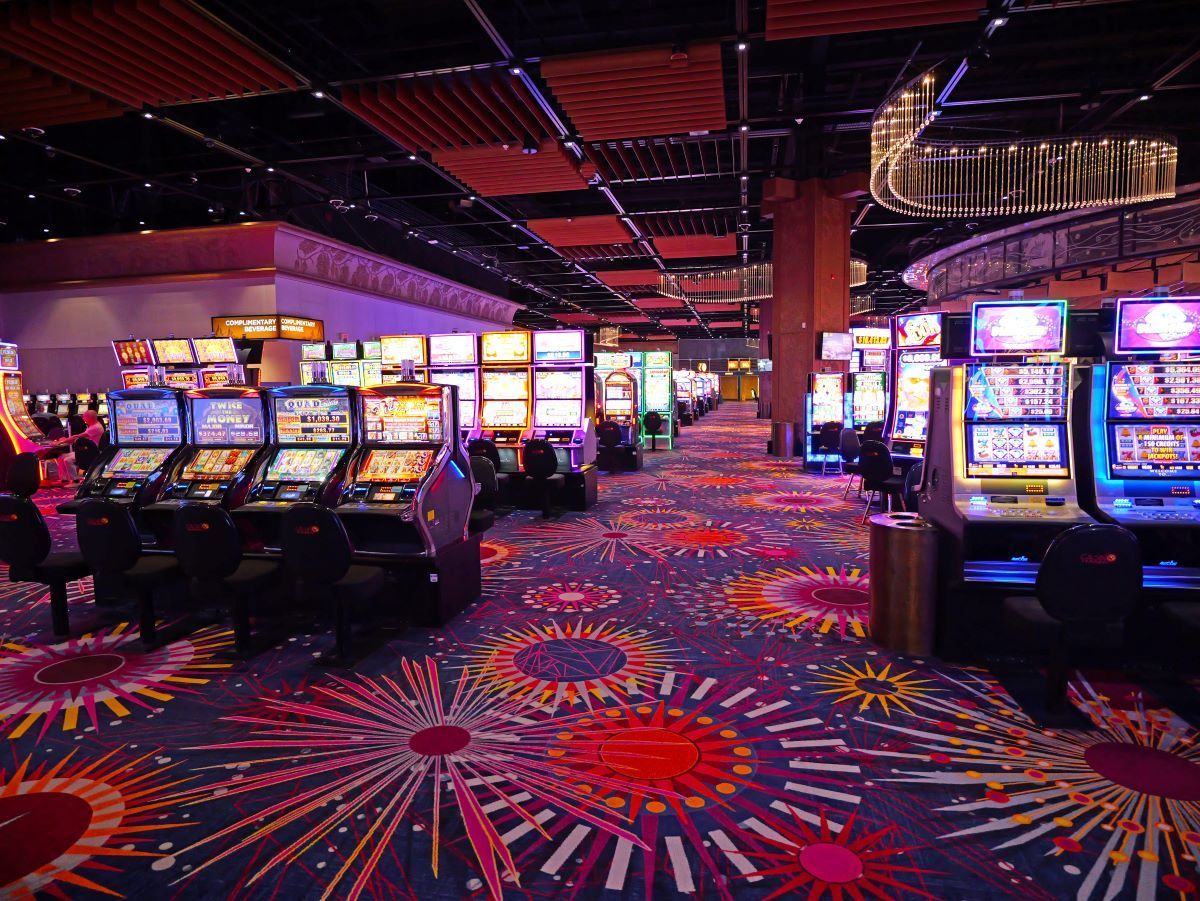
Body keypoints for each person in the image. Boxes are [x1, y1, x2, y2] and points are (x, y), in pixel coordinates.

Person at [45, 409, 104, 482]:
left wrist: (61, 442)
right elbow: (80, 438)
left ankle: (75, 480)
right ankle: (65, 479)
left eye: (84, 417)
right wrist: (65, 440)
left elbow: (77, 436)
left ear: (90, 417)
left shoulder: (95, 427)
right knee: (61, 457)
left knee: (67, 460)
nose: (83, 418)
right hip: (86, 450)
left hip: (90, 452)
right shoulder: (93, 425)